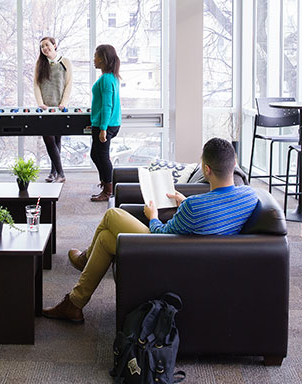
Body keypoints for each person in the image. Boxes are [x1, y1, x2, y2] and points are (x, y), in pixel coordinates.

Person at [42, 138, 258, 322]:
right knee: (108, 240)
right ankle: (75, 303)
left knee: (112, 216)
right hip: (202, 259)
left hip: (168, 256)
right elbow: (217, 209)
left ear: (206, 169)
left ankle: (84, 261)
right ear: (234, 163)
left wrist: (152, 216)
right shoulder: (249, 196)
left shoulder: (196, 207)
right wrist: (185, 202)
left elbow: (161, 234)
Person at [33, 36, 73, 183]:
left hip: (60, 107)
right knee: (48, 139)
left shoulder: (65, 62)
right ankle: (60, 173)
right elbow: (36, 85)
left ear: (54, 45)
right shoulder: (40, 64)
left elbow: (68, 84)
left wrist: (64, 102)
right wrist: (40, 103)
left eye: (47, 45)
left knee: (56, 140)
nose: (44, 48)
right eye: (42, 46)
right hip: (45, 108)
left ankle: (54, 172)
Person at [88, 44, 122, 202]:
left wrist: (102, 128)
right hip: (104, 123)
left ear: (102, 59)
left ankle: (109, 191)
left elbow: (108, 105)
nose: (94, 59)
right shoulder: (109, 77)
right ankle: (105, 183)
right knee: (95, 154)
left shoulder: (107, 79)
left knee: (102, 156)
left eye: (96, 56)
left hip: (106, 125)